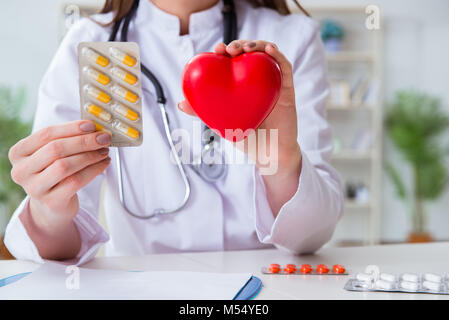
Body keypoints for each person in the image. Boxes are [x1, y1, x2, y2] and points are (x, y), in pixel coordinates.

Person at [5, 0, 343, 264]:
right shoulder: (91, 45)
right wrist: (50, 209)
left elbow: (312, 236)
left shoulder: (288, 41)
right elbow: (62, 244)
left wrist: (282, 161)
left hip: (266, 291)